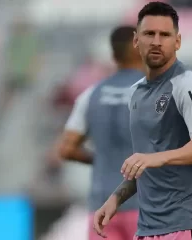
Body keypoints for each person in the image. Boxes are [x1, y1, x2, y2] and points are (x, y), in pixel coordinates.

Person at [93, 2, 192, 240]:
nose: (156, 41)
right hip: (148, 229)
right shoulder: (136, 93)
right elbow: (144, 164)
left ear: (178, 42)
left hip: (188, 226)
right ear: (136, 41)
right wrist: (115, 199)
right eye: (149, 34)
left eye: (164, 35)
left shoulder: (188, 84)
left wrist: (154, 158)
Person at [58, 25, 144, 240]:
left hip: (102, 206)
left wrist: (102, 159)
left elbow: (67, 149)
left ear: (113, 54)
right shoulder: (156, 94)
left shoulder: (91, 95)